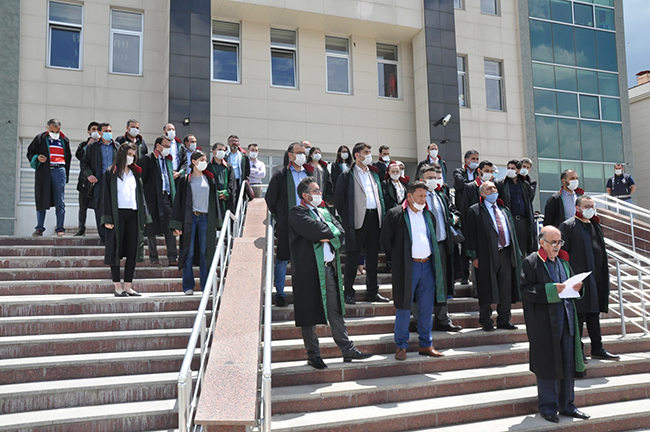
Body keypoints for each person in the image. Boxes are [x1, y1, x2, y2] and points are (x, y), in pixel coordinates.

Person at [289, 177, 373, 369]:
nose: (320, 193)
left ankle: (347, 349)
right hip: (308, 271)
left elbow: (340, 233)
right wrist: (327, 233)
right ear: (305, 195)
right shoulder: (297, 212)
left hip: (329, 268)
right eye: (316, 191)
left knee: (335, 309)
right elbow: (315, 230)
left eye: (319, 190)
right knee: (308, 312)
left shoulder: (325, 212)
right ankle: (313, 355)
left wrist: (326, 235)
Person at [520, 225, 589, 424]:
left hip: (566, 320)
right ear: (542, 242)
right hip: (544, 324)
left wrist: (578, 287)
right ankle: (548, 407)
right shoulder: (531, 262)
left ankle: (568, 405)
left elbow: (572, 289)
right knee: (547, 365)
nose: (557, 246)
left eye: (560, 242)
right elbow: (526, 289)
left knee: (567, 364)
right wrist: (551, 290)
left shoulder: (563, 263)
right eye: (553, 242)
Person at [381, 181, 446, 360]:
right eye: (420, 196)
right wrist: (397, 261)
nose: (423, 199)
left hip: (427, 266)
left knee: (426, 308)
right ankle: (401, 346)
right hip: (407, 267)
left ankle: (426, 344)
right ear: (409, 196)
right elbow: (386, 241)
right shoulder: (396, 214)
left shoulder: (428, 215)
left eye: (425, 196)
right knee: (403, 307)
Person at [559, 195, 619, 362]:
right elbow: (562, 254)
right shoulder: (568, 226)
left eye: (592, 206)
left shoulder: (595, 225)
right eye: (586, 206)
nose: (590, 209)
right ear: (577, 208)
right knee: (579, 314)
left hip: (596, 277)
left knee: (594, 312)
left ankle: (597, 348)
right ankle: (578, 350)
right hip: (578, 278)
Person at [333, 142, 389, 305]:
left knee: (372, 258)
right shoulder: (347, 175)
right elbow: (339, 201)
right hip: (357, 221)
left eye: (370, 151)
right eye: (366, 152)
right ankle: (348, 292)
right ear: (357, 155)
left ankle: (373, 292)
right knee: (353, 257)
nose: (369, 155)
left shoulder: (374, 174)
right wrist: (347, 220)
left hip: (374, 219)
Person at [465, 181, 521, 331]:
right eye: (489, 188)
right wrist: (474, 257)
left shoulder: (504, 209)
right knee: (486, 287)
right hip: (486, 255)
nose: (493, 190)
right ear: (482, 194)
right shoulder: (475, 210)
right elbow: (471, 235)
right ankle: (486, 320)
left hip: (506, 253)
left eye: (494, 188)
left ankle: (504, 319)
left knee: (505, 288)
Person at [101, 143, 149, 297]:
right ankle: (117, 287)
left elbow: (140, 196)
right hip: (117, 215)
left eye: (133, 155)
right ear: (122, 154)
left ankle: (128, 286)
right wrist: (107, 218)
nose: (131, 157)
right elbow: (105, 197)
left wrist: (144, 216)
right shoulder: (111, 172)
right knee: (115, 249)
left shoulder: (136, 173)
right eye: (129, 154)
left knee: (132, 251)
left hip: (133, 215)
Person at [420, 164, 462, 331]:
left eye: (436, 177)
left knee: (442, 283)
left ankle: (443, 319)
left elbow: (453, 213)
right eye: (429, 178)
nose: (434, 180)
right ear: (421, 179)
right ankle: (421, 321)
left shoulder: (441, 196)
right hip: (424, 248)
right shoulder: (416, 198)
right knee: (424, 284)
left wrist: (454, 218)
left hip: (442, 245)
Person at [265, 142, 308, 307]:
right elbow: (270, 198)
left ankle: (302, 293)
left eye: (304, 152)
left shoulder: (307, 174)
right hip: (287, 223)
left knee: (303, 260)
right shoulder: (281, 174)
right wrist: (281, 216)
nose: (303, 155)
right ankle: (280, 294)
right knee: (283, 259)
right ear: (290, 155)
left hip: (306, 222)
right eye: (299, 152)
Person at [171, 151, 219, 295]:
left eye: (205, 159)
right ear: (194, 161)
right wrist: (177, 225)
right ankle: (188, 286)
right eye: (202, 159)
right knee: (188, 251)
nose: (205, 162)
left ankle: (206, 286)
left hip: (205, 218)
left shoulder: (209, 179)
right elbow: (178, 202)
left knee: (205, 252)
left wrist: (217, 222)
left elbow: (215, 201)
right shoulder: (185, 180)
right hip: (190, 218)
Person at [27, 118, 72, 237]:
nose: (55, 133)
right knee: (41, 198)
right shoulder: (40, 138)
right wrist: (37, 158)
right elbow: (30, 152)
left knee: (60, 201)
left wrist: (66, 174)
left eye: (57, 131)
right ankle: (39, 228)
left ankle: (60, 228)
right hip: (44, 171)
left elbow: (68, 157)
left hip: (59, 170)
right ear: (47, 128)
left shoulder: (64, 140)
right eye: (52, 131)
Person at [139, 136, 179, 267]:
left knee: (170, 227)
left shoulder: (168, 160)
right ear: (158, 146)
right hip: (152, 198)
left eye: (169, 147)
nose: (168, 149)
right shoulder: (147, 159)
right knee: (151, 228)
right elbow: (141, 180)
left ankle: (172, 257)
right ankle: (153, 257)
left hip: (166, 197)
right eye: (166, 146)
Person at [81, 122, 119, 244]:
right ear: (99, 133)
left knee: (115, 207)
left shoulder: (117, 147)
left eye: (110, 131)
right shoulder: (92, 147)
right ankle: (104, 238)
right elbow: (84, 163)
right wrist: (89, 175)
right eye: (105, 131)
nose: (108, 133)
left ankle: (114, 236)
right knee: (100, 209)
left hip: (115, 181)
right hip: (99, 181)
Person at [496, 159, 536, 257]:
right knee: (509, 248)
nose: (510, 170)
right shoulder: (501, 184)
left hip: (523, 221)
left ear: (518, 170)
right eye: (508, 168)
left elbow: (529, 200)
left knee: (522, 249)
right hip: (509, 220)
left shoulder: (525, 184)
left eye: (513, 168)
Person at [452, 149, 480, 284]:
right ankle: (464, 276)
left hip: (477, 213)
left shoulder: (479, 172)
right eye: (473, 159)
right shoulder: (458, 172)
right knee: (464, 246)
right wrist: (475, 184)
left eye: (477, 159)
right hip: (463, 213)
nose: (475, 161)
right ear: (466, 160)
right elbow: (460, 185)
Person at [74, 121, 100, 236]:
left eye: (97, 129)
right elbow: (79, 156)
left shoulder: (102, 145)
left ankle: (101, 230)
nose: (95, 132)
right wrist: (88, 145)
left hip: (98, 180)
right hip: (85, 181)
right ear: (89, 132)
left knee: (99, 207)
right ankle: (81, 229)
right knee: (82, 207)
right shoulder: (83, 144)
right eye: (93, 129)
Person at [207, 142, 236, 228]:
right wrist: (216, 193)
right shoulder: (209, 166)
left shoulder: (228, 166)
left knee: (227, 223)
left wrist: (227, 193)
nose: (222, 152)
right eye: (219, 149)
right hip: (214, 199)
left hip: (227, 199)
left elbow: (232, 182)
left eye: (223, 150)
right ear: (213, 151)